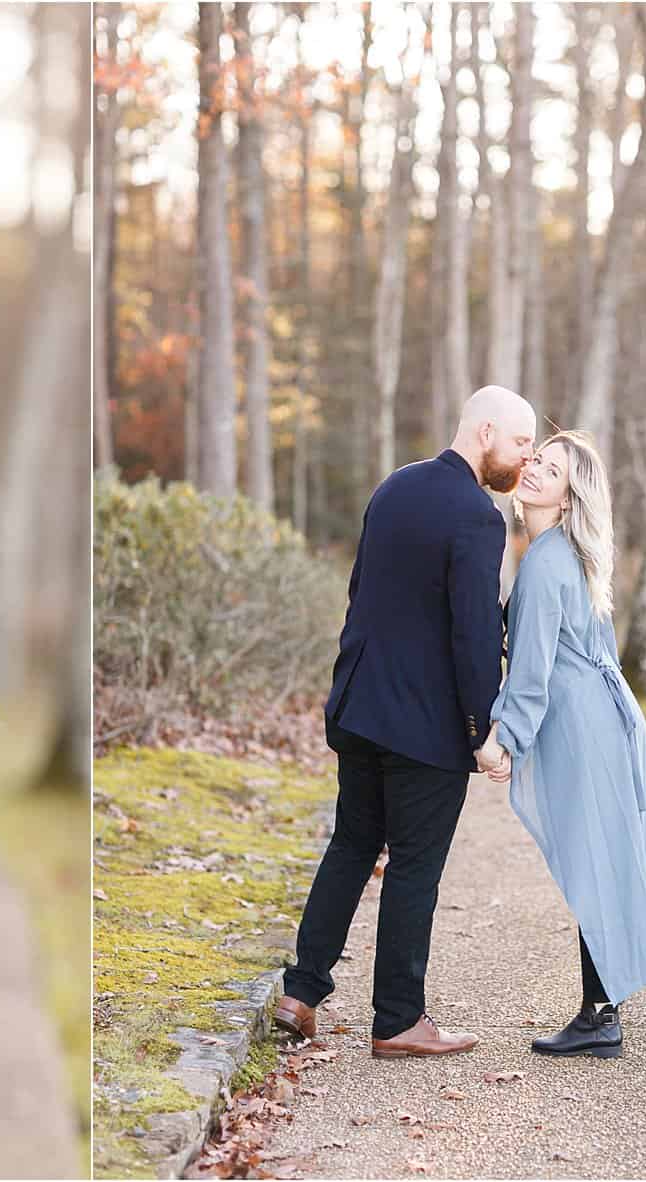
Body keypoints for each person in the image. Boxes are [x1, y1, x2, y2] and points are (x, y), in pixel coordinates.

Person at [273, 386, 538, 1057]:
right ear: (484, 433)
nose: (526, 457)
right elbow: (474, 635)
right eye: (521, 441)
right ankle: (397, 1021)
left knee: (353, 845)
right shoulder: (480, 518)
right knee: (415, 866)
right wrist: (484, 731)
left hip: (361, 707)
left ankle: (300, 992)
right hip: (423, 727)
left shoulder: (394, 487)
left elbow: (361, 593)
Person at [477, 430, 646, 1059]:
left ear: (572, 497)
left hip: (582, 726)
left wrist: (505, 738)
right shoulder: (575, 553)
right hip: (618, 716)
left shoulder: (547, 558)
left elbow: (534, 668)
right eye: (537, 461)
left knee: (596, 860)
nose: (537, 472)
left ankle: (600, 1016)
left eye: (554, 470)